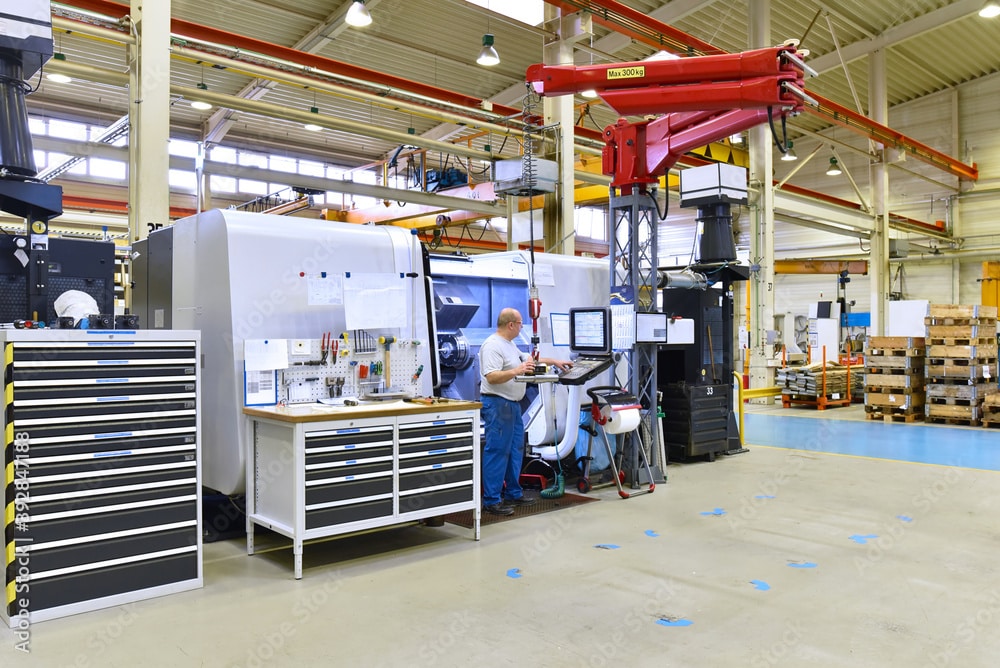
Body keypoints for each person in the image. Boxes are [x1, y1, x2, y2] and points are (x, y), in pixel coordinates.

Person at [478, 308, 573, 516]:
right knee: (497, 451)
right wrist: (517, 371)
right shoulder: (492, 346)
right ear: (511, 324)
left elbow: (530, 361)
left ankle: (513, 493)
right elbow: (491, 377)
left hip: (512, 404)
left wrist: (555, 362)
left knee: (515, 451)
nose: (522, 327)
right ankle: (491, 500)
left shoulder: (510, 345)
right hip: (498, 404)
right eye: (521, 323)